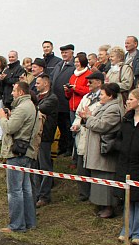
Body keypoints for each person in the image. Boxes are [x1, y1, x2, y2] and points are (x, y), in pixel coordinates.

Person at [113, 88, 139, 244]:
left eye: (131, 99)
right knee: (128, 199)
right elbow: (118, 139)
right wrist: (121, 147)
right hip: (125, 163)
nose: (128, 102)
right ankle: (127, 229)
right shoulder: (127, 119)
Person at [0, 81, 41, 233]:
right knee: (26, 189)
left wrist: (2, 117)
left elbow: (9, 128)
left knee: (15, 191)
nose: (12, 93)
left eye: (14, 91)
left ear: (21, 92)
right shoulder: (32, 106)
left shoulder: (22, 108)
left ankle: (16, 225)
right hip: (26, 151)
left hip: (16, 153)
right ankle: (29, 222)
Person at [81, 83, 123, 218]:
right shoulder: (104, 107)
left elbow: (102, 125)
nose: (100, 97)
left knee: (105, 180)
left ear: (110, 96)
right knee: (98, 178)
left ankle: (109, 207)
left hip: (105, 150)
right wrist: (86, 118)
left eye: (103, 94)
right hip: (96, 149)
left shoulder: (114, 109)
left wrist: (88, 117)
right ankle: (101, 205)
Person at [71, 72, 104, 202]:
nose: (88, 84)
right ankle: (83, 193)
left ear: (99, 82)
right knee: (81, 165)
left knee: (94, 167)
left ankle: (95, 195)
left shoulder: (103, 99)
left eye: (91, 81)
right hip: (83, 134)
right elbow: (78, 115)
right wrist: (76, 125)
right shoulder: (86, 97)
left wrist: (87, 118)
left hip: (95, 135)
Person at [34, 74, 58, 207]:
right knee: (36, 167)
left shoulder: (52, 99)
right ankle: (37, 194)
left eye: (38, 83)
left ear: (46, 84)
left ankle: (44, 195)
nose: (36, 85)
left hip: (45, 137)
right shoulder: (38, 97)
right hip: (37, 136)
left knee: (44, 167)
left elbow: (37, 110)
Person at [51, 44, 76, 156]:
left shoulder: (74, 66)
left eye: (66, 52)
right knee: (61, 126)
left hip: (67, 101)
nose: (64, 55)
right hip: (57, 101)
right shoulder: (59, 65)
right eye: (62, 53)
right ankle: (63, 146)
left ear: (72, 52)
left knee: (68, 126)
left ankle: (69, 149)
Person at [65, 52, 91, 126]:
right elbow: (68, 95)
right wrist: (67, 90)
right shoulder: (73, 76)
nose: (75, 64)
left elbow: (89, 90)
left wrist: (75, 88)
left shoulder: (89, 75)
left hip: (82, 108)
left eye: (77, 62)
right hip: (72, 108)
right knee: (73, 131)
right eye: (75, 62)